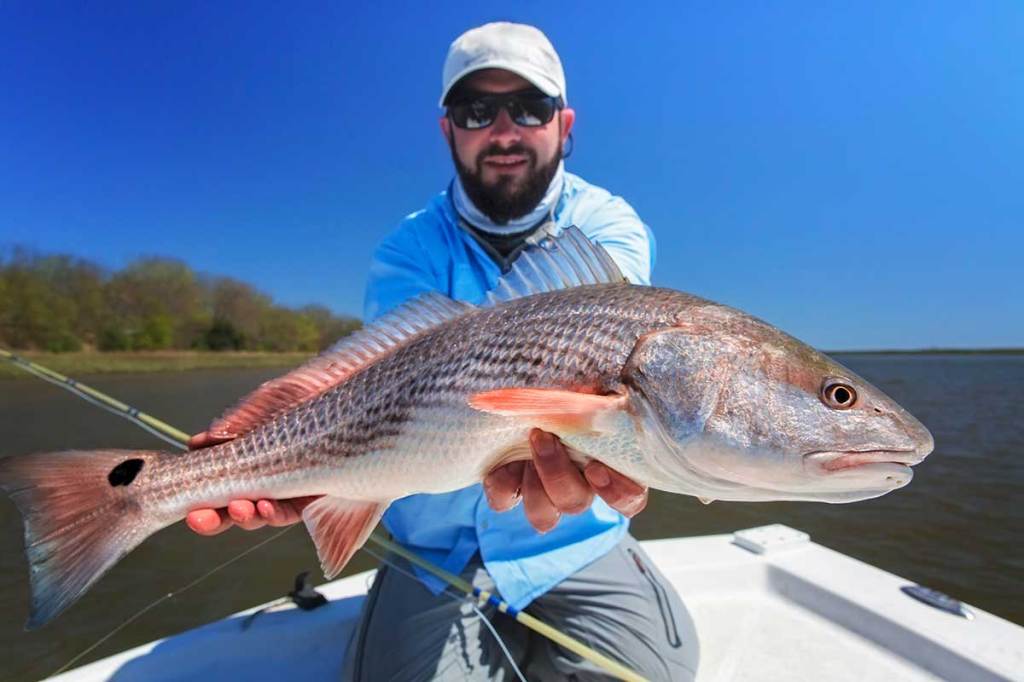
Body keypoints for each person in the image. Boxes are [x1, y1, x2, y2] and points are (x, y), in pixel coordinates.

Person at [186, 22, 698, 681]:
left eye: (530, 107)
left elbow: (614, 337)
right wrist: (293, 459)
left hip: (574, 538)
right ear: (448, 129)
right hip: (431, 549)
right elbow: (374, 384)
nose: (505, 131)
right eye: (477, 110)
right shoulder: (408, 247)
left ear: (564, 123)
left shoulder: (606, 223)